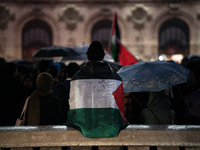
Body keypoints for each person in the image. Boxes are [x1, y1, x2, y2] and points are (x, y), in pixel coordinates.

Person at [65, 41, 128, 138]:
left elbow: (73, 105)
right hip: (110, 127)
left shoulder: (76, 78)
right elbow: (120, 108)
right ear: (103, 57)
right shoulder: (116, 78)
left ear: (87, 57)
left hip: (83, 126)